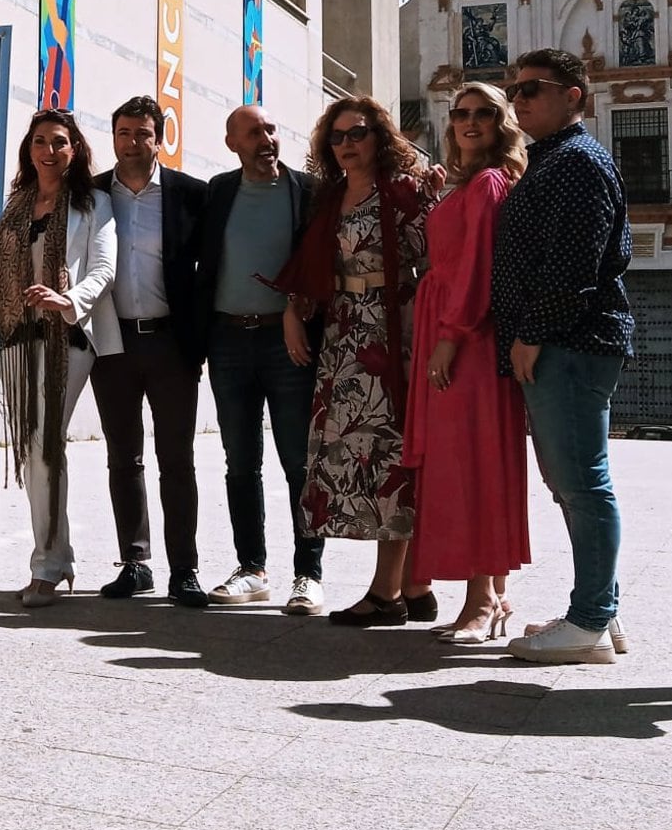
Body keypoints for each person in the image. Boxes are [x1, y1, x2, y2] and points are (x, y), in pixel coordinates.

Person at [492, 48, 634, 666]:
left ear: (574, 95)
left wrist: (533, 333)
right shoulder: (550, 160)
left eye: (532, 90)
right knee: (572, 482)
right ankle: (601, 608)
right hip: (560, 343)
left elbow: (573, 265)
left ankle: (589, 622)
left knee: (581, 484)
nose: (518, 100)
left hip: (570, 344)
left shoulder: (576, 162)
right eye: (514, 90)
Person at [275, 97, 438, 626]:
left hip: (392, 334)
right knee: (359, 457)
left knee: (391, 457)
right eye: (338, 136)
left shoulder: (407, 192)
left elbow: (436, 263)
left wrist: (434, 338)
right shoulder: (332, 196)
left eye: (358, 133)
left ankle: (388, 592)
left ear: (379, 138)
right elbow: (313, 266)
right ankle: (414, 585)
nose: (347, 143)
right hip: (343, 333)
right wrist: (294, 313)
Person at [403, 84, 530, 642]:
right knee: (463, 462)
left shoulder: (488, 183)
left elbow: (478, 266)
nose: (470, 122)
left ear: (502, 123)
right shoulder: (467, 182)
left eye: (483, 114)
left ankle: (482, 599)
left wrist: (451, 337)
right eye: (460, 114)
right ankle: (491, 595)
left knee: (474, 463)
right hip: (451, 327)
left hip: (469, 340)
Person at [194, 104, 324, 613]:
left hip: (286, 343)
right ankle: (252, 568)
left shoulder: (306, 193)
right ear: (232, 144)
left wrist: (298, 306)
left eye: (270, 129)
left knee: (298, 461)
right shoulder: (218, 192)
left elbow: (319, 262)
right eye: (253, 133)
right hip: (228, 341)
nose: (266, 138)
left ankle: (308, 574)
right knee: (240, 462)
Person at [87, 96, 210, 607]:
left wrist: (198, 342)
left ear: (159, 138)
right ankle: (135, 564)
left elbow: (210, 272)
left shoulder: (190, 195)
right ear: (112, 137)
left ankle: (185, 569)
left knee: (176, 460)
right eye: (124, 133)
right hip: (111, 345)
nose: (133, 142)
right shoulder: (91, 196)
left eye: (143, 133)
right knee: (123, 458)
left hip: (171, 344)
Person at [0, 109, 116, 608]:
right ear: (29, 149)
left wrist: (70, 299)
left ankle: (45, 566)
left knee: (45, 444)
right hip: (18, 337)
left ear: (75, 150)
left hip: (68, 335)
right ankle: (58, 556)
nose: (48, 150)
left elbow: (104, 268)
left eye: (59, 142)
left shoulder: (93, 203)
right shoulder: (15, 205)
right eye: (39, 141)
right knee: (32, 448)